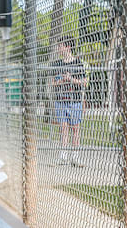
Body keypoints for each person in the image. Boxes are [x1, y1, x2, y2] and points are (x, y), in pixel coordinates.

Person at [51, 34, 88, 167]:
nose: (58, 49)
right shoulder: (57, 64)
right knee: (63, 128)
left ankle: (76, 156)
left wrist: (71, 79)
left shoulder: (78, 63)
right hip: (61, 100)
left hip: (75, 101)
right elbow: (53, 83)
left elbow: (84, 82)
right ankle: (63, 156)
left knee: (75, 129)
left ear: (68, 47)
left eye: (60, 46)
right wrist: (62, 80)